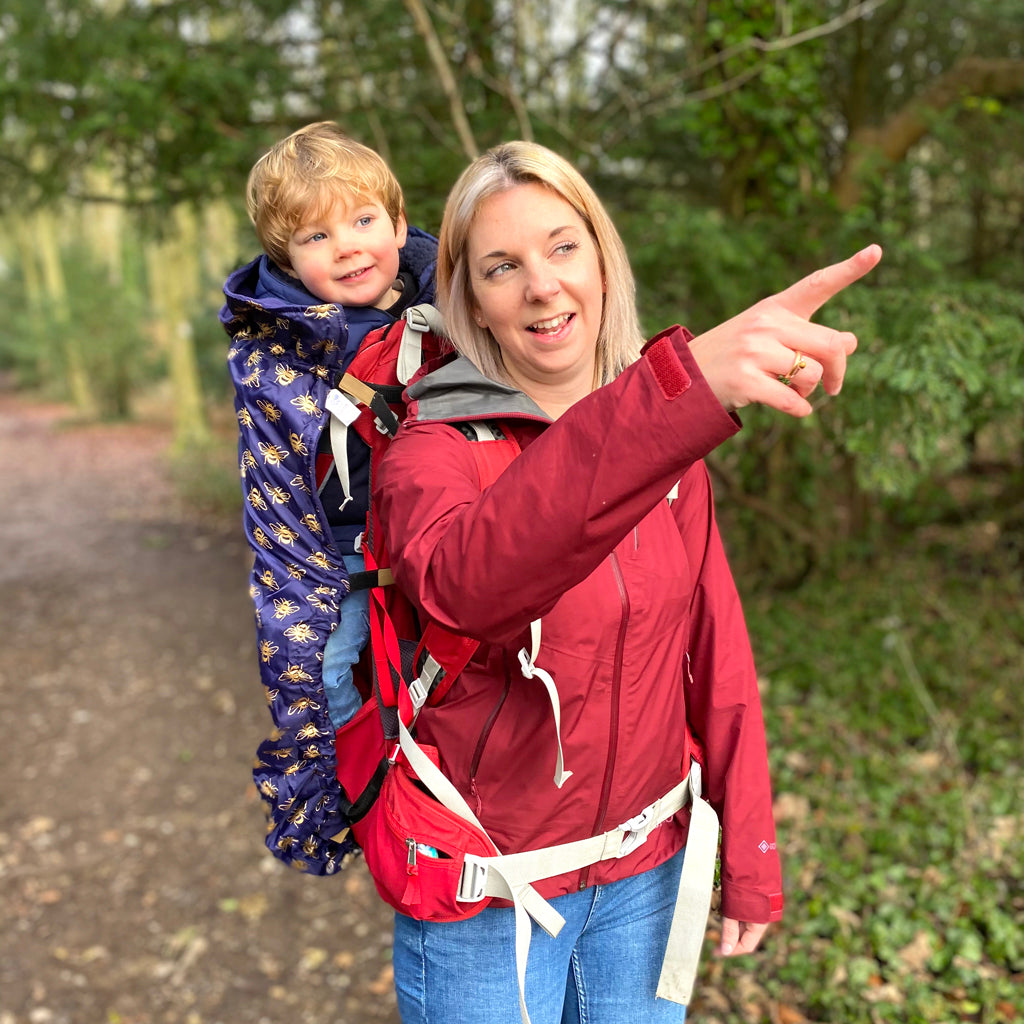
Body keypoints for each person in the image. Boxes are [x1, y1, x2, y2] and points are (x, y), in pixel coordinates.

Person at [372, 141, 882, 1023]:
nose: (542, 286)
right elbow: (469, 588)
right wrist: (678, 398)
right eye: (502, 267)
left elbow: (715, 652)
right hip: (485, 896)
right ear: (472, 302)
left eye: (563, 247)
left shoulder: (667, 455)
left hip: (646, 874)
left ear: (603, 260)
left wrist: (751, 851)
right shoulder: (430, 450)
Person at [222, 121, 437, 736]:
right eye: (317, 235)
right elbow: (276, 465)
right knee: (318, 670)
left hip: (437, 522)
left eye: (363, 221)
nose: (347, 247)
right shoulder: (281, 347)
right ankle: (353, 770)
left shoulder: (449, 305)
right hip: (340, 547)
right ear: (286, 259)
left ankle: (435, 766)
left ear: (398, 226)